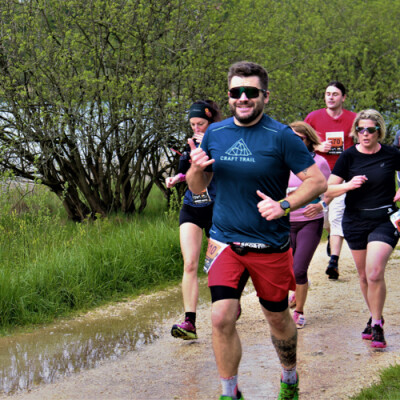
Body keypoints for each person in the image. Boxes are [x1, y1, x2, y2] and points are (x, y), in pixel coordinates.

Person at [187, 61, 327, 400]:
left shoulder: (281, 136)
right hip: (224, 242)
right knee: (221, 317)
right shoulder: (216, 134)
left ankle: (289, 377)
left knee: (277, 319)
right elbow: (197, 187)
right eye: (237, 92)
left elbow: (317, 181)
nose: (243, 98)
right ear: (230, 96)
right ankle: (229, 393)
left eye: (251, 92)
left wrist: (284, 204)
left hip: (269, 245)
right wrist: (195, 170)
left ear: (265, 95)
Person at [324, 109, 400, 348]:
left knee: (375, 271)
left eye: (370, 130)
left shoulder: (391, 153)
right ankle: (375, 315)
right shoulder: (348, 157)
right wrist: (348, 185)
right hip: (355, 221)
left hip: (385, 219)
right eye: (360, 129)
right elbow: (328, 189)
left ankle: (376, 324)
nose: (364, 134)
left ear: (379, 131)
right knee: (365, 276)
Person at [166, 100, 221, 340]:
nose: (196, 128)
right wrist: (176, 179)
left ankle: (228, 305)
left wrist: (207, 150)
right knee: (190, 263)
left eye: (201, 124)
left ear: (211, 123)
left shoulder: (221, 141)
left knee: (216, 267)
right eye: (192, 124)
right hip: (192, 206)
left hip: (218, 208)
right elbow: (184, 171)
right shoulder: (189, 144)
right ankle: (190, 322)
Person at [305, 82, 357, 280]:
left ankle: (333, 260)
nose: (331, 97)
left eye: (335, 94)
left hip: (342, 174)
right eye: (327, 94)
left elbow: (362, 142)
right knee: (324, 215)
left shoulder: (353, 119)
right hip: (317, 173)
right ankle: (330, 237)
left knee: (337, 213)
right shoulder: (313, 117)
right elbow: (300, 140)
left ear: (343, 97)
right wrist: (318, 146)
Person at [287, 121, 331, 329]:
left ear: (309, 140)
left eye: (300, 138)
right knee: (287, 270)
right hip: (285, 222)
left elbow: (329, 191)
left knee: (299, 269)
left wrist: (321, 206)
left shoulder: (319, 162)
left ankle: (299, 311)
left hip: (309, 222)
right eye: (291, 138)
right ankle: (298, 290)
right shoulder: (281, 161)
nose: (295, 142)